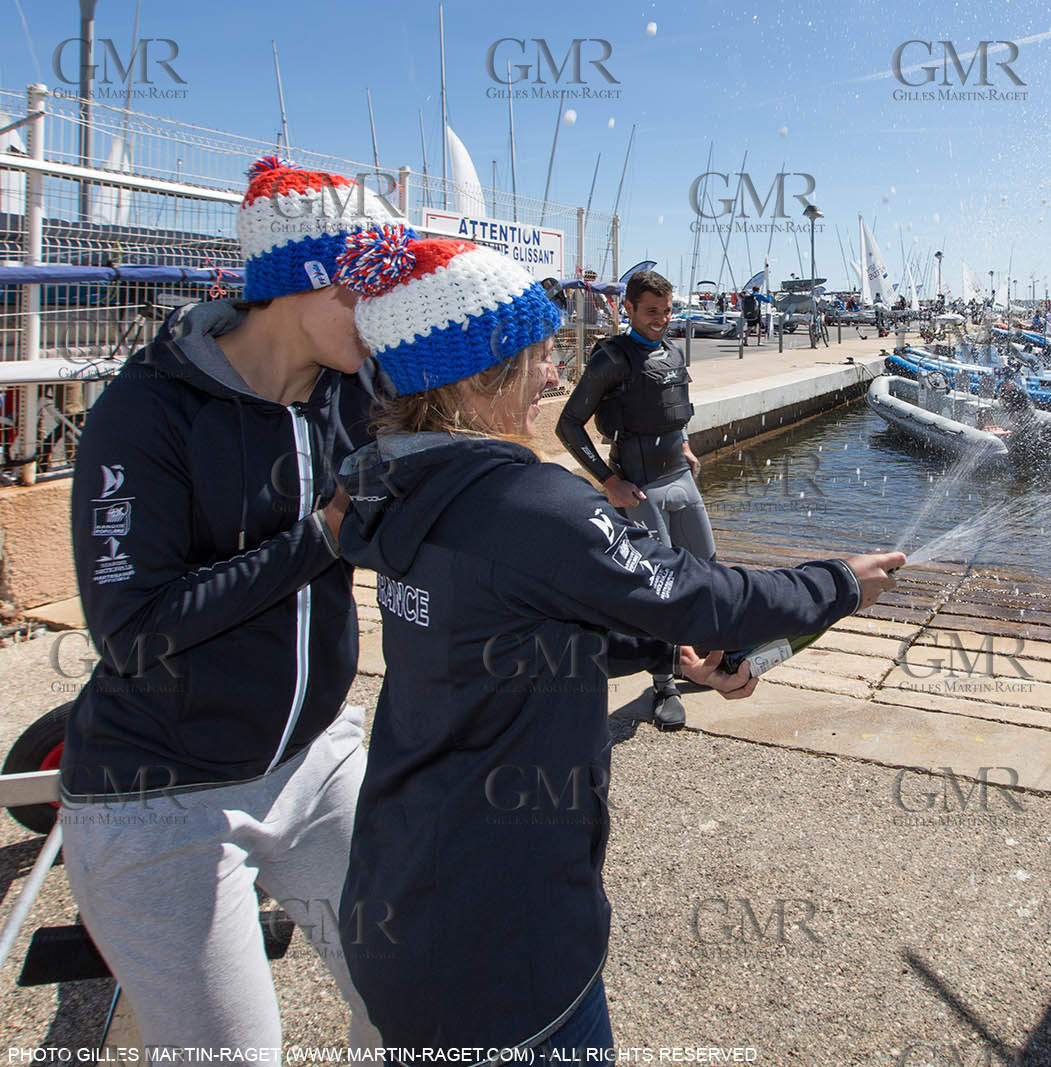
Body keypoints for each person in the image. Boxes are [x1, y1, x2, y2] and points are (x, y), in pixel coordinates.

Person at [330, 226, 904, 1057]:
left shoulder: (395, 489)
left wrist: (667, 658)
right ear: (483, 378)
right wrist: (837, 584)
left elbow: (506, 637)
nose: (555, 377)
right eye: (537, 360)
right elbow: (702, 595)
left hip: (403, 906)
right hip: (509, 963)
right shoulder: (528, 506)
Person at [58, 156, 391, 1054]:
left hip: (315, 757)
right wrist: (319, 537)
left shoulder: (350, 394)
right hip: (165, 795)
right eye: (371, 287)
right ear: (300, 282)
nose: (385, 310)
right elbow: (130, 629)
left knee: (413, 1004)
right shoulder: (148, 410)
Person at [555, 270, 710, 731]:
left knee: (704, 564)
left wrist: (682, 442)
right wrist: (607, 480)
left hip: (679, 474)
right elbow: (568, 425)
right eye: (650, 312)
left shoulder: (672, 350)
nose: (661, 320)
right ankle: (663, 683)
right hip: (638, 483)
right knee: (655, 581)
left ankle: (701, 656)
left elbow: (669, 406)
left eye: (666, 311)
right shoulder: (612, 359)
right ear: (629, 309)